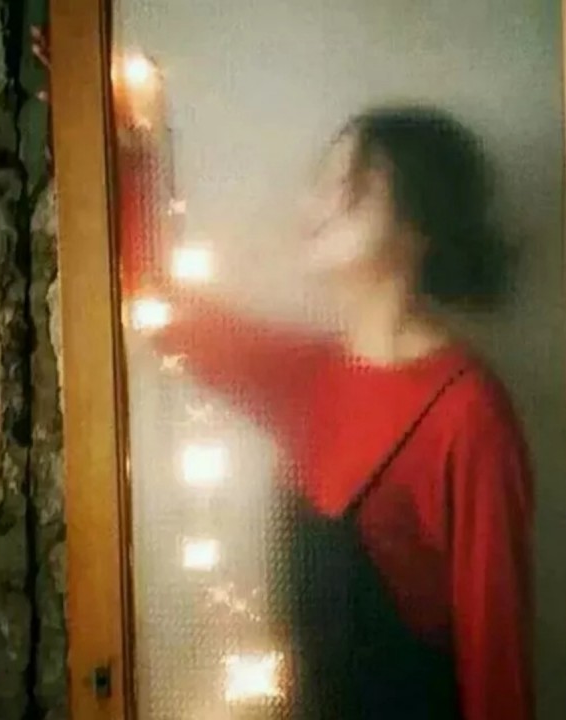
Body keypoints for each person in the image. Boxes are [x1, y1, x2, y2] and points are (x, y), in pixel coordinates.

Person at [123, 106, 534, 720]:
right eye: (325, 180)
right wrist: (127, 136)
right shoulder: (308, 378)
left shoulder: (468, 414)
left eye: (357, 185)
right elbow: (157, 307)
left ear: (420, 224)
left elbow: (497, 669)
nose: (323, 203)